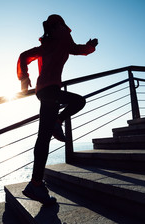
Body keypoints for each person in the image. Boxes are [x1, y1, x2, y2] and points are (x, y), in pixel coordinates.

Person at [17, 14, 98, 205]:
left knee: (43, 138)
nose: (65, 29)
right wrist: (92, 47)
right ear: (59, 27)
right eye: (63, 26)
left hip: (44, 92)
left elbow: (23, 56)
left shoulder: (46, 45)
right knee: (78, 102)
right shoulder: (62, 39)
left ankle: (35, 184)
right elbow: (76, 49)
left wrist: (23, 78)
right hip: (51, 91)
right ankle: (58, 122)